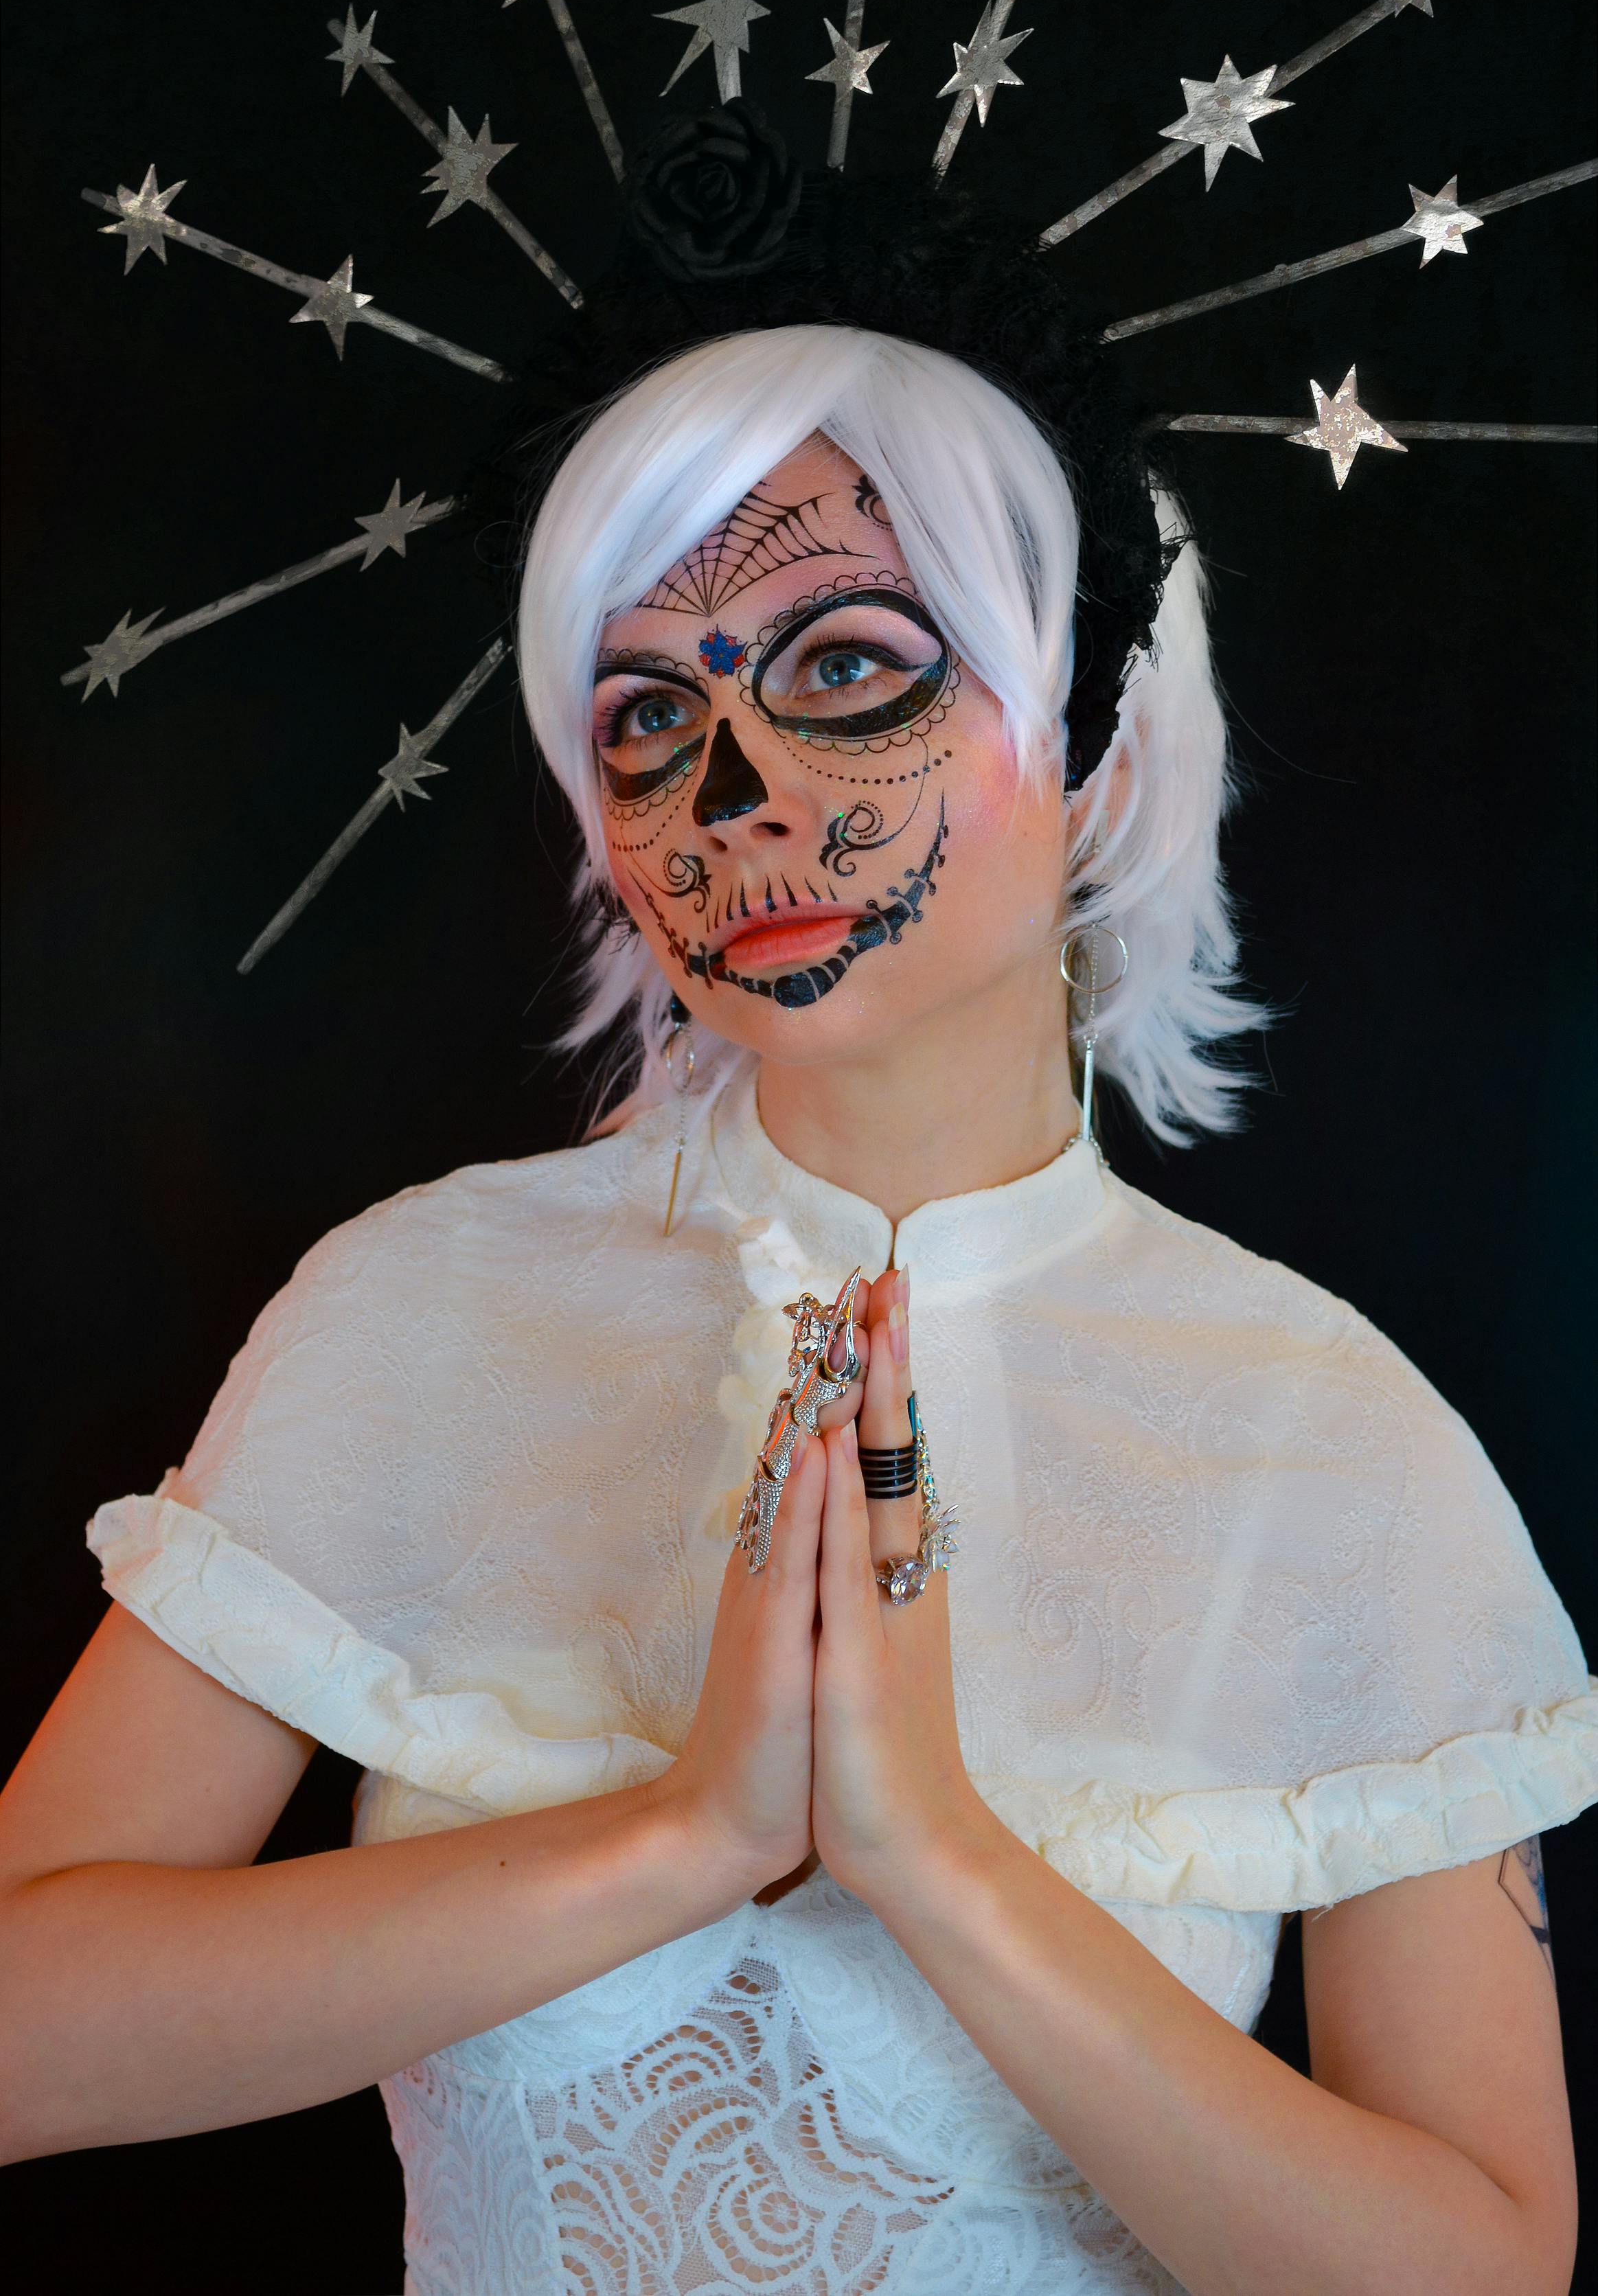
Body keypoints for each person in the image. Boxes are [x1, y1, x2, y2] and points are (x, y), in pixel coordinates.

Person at [2, 325, 1592, 2295]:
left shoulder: (1330, 1436)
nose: (728, 795)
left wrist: (937, 1858)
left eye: (848, 665)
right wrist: (684, 1835)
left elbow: (1484, 2270)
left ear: (1087, 742)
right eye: (645, 709)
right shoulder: (420, 1304)